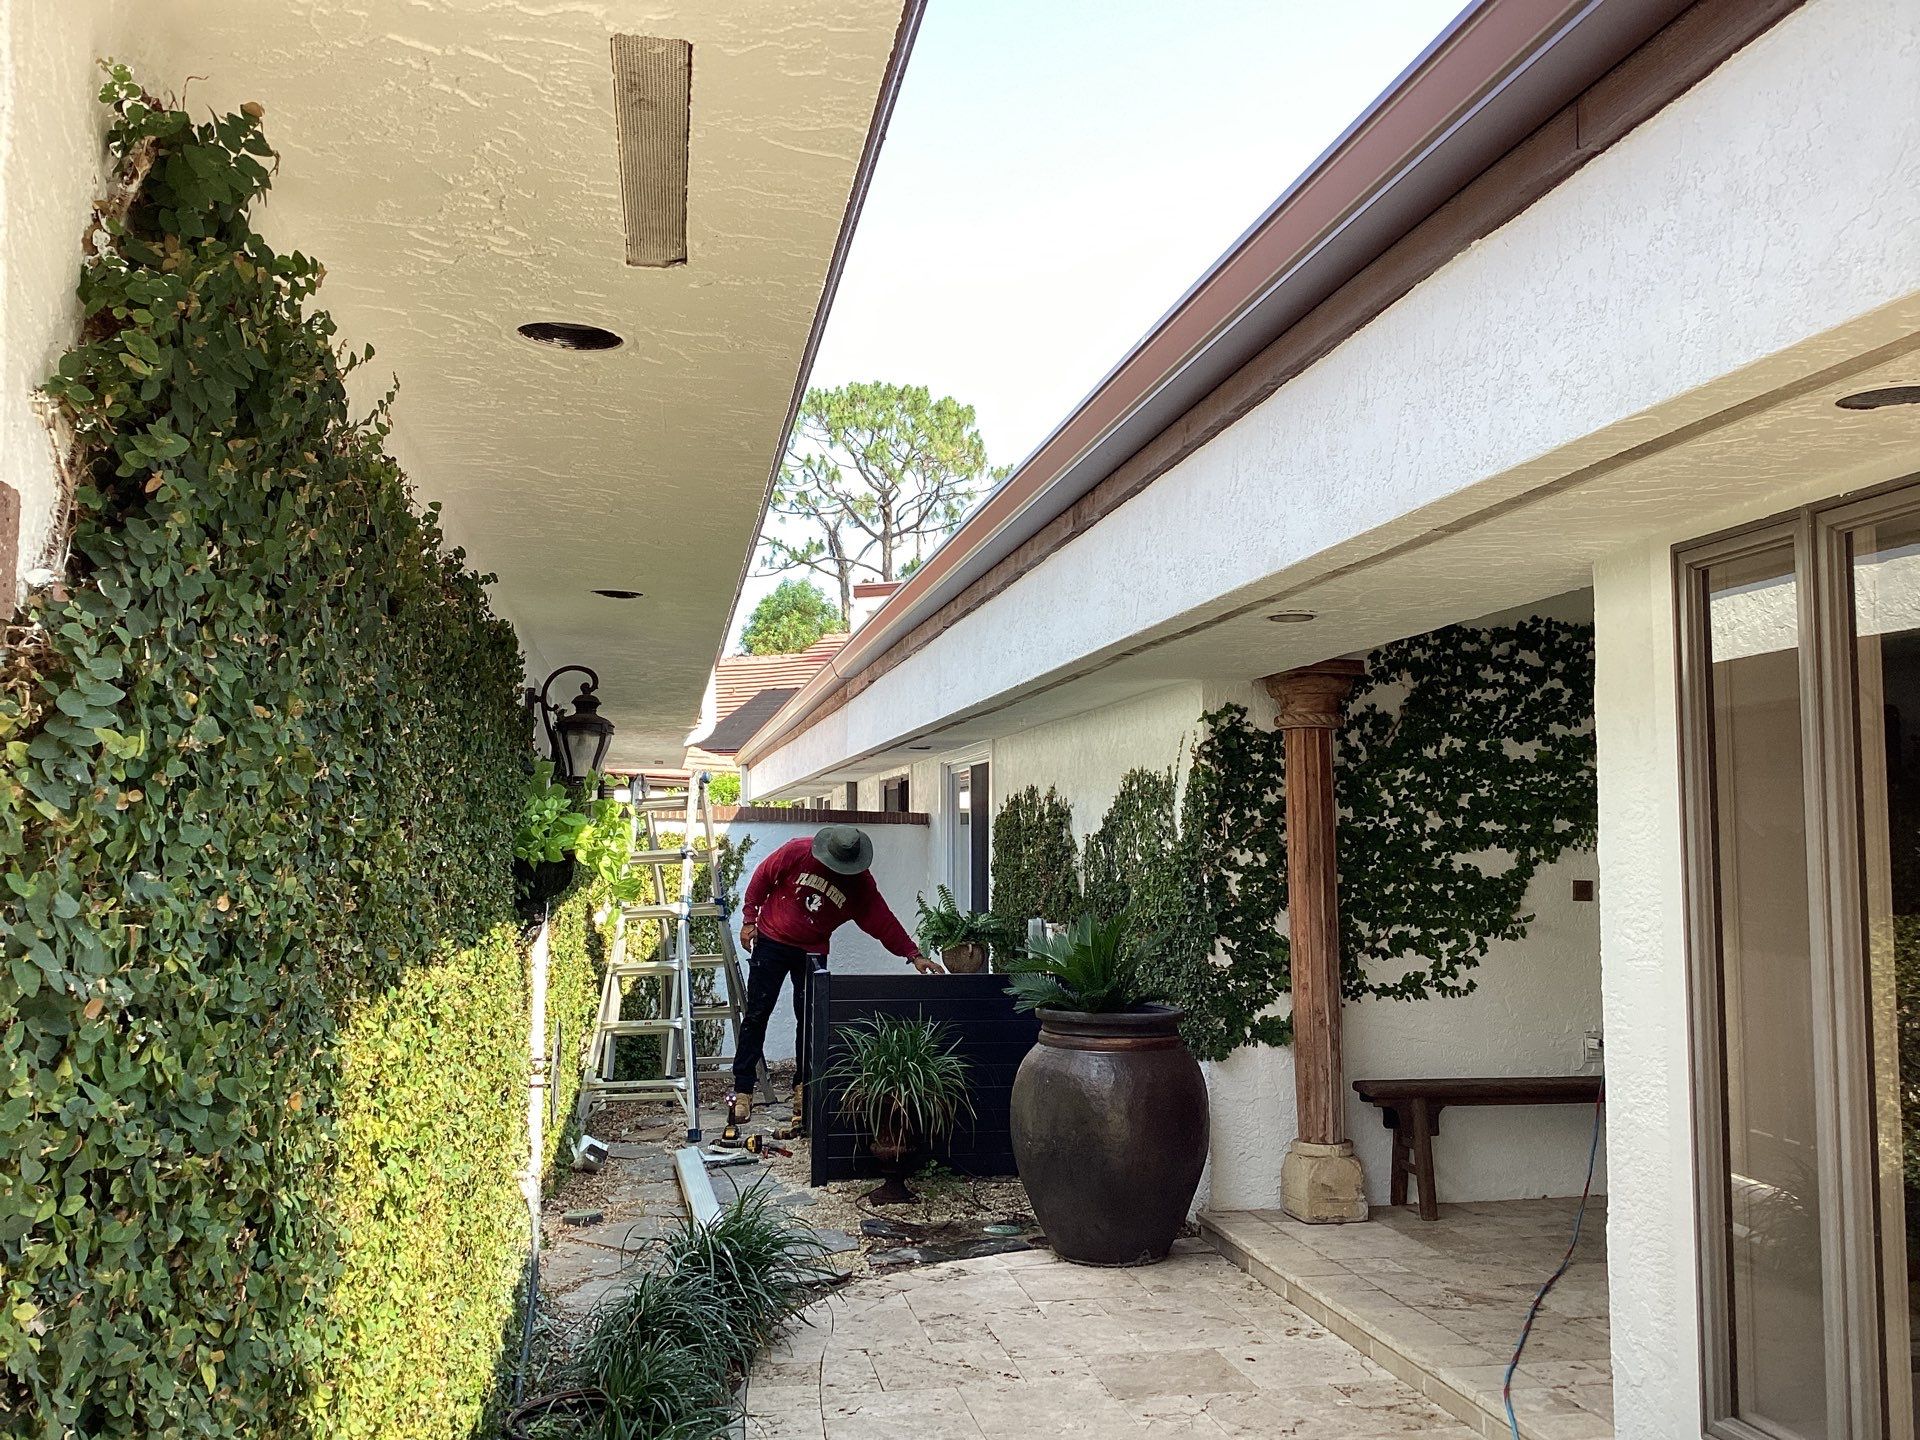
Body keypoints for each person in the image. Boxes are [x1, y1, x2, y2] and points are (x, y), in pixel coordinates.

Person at [725, 825, 943, 1142]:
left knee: (810, 1021)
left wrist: (913, 954)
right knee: (758, 1013)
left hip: (812, 950)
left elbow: (883, 921)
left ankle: (803, 1091)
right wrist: (748, 919)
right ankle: (743, 1090)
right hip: (771, 939)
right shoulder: (797, 851)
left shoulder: (860, 885)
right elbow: (761, 877)